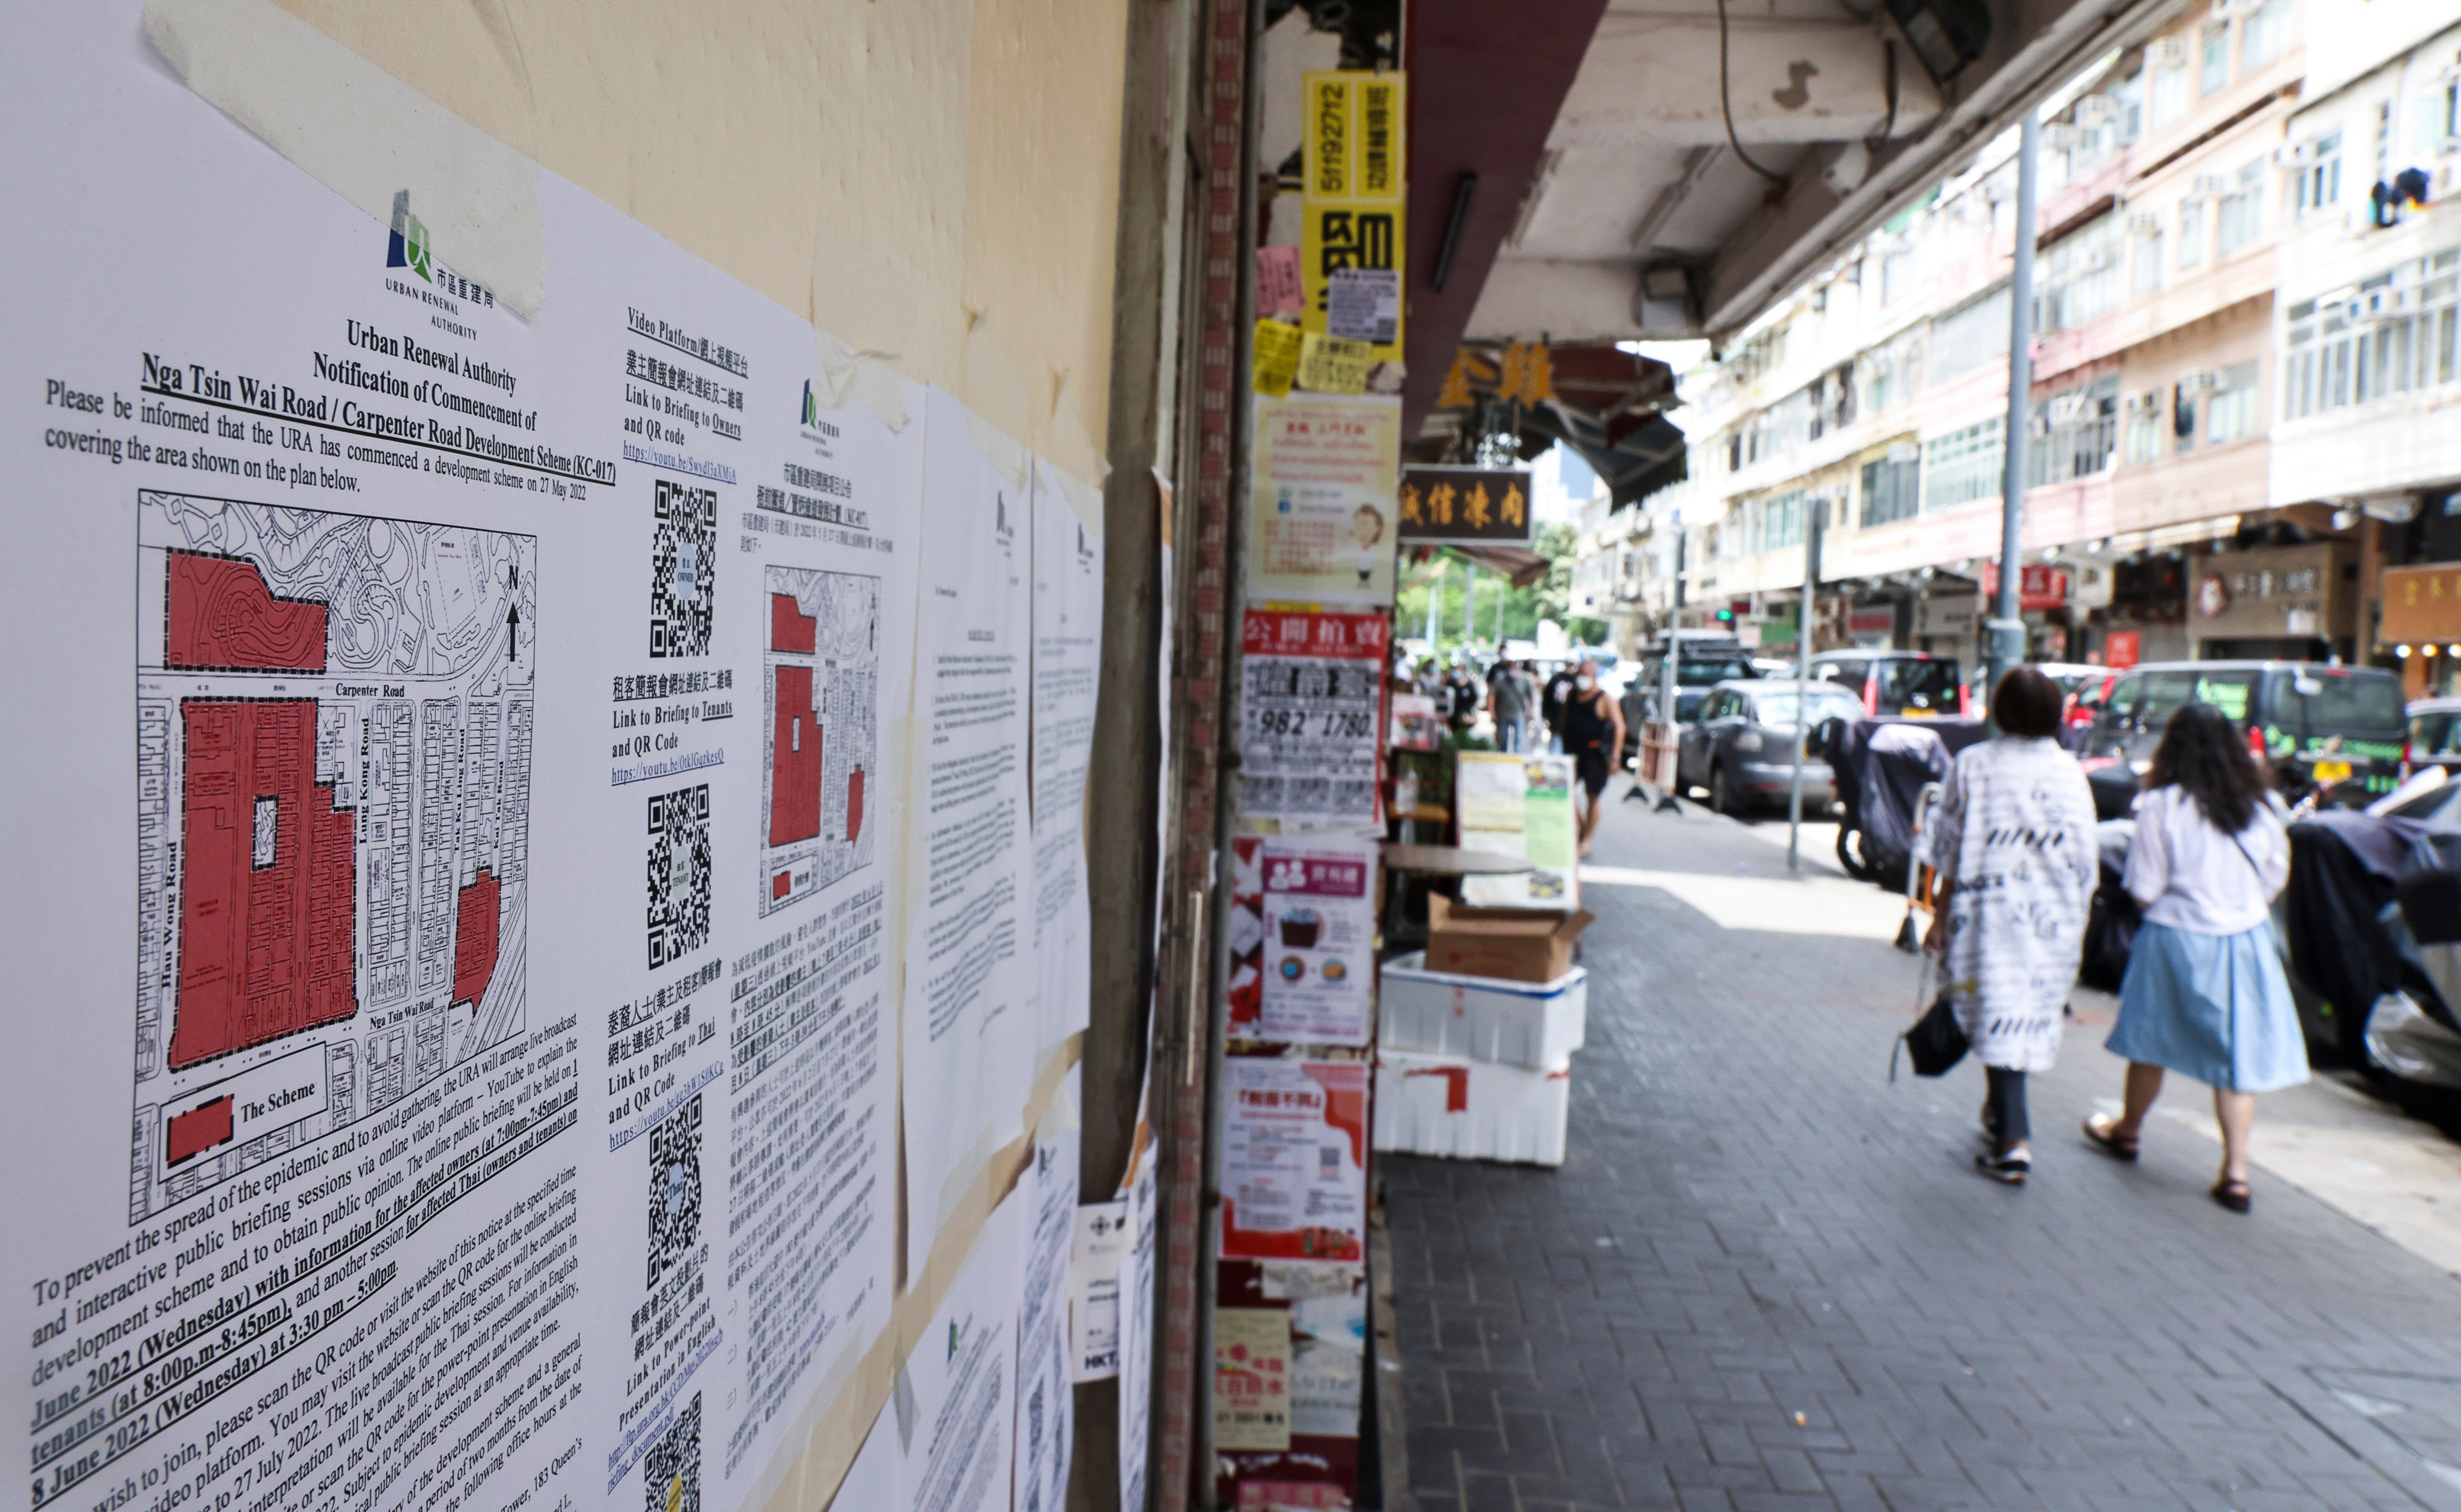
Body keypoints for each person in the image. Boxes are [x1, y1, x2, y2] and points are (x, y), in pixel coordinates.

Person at [2084, 700, 2302, 1214]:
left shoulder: (2162, 803)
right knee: (2236, 1062)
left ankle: (2128, 1132)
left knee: (2151, 1045)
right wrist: (2240, 904)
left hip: (2173, 937)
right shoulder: (2262, 805)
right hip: (2243, 940)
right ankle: (2235, 1172)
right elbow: (2275, 874)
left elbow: (2142, 888)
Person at [1920, 668, 2099, 1184]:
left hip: (1985, 917)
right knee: (2011, 1014)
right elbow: (2084, 858)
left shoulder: (1973, 765)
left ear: (2000, 710)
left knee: (1995, 1010)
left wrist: (1937, 914)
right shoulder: (2070, 773)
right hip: (2054, 919)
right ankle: (2000, 1114)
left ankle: (2013, 1142)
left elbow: (1949, 848)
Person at [1558, 657, 1626, 855]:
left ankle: (1587, 839)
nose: (1582, 679)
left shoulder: (1605, 699)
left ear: (1594, 677)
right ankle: (1582, 827)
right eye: (1579, 675)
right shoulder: (1572, 696)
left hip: (1595, 754)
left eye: (1585, 676)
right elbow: (1564, 720)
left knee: (1593, 796)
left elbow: (1620, 727)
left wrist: (1615, 756)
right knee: (1568, 793)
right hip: (1572, 751)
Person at [1487, 658, 1532, 752]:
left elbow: (1530, 697)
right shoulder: (1500, 679)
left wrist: (1530, 712)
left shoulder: (1525, 679)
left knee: (1519, 738)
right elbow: (1492, 696)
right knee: (1504, 738)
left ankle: (1517, 757)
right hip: (1503, 713)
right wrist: (1492, 713)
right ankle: (1503, 755)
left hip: (1519, 713)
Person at [1541, 662, 1579, 752]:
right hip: (1559, 717)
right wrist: (1546, 714)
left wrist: (1546, 714)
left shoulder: (1575, 681)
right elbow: (1547, 697)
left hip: (1564, 719)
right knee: (1557, 742)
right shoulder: (1558, 680)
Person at [1442, 662, 1481, 736]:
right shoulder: (1450, 683)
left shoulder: (1470, 685)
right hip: (1452, 715)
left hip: (1466, 715)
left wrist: (1472, 714)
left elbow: (1474, 700)